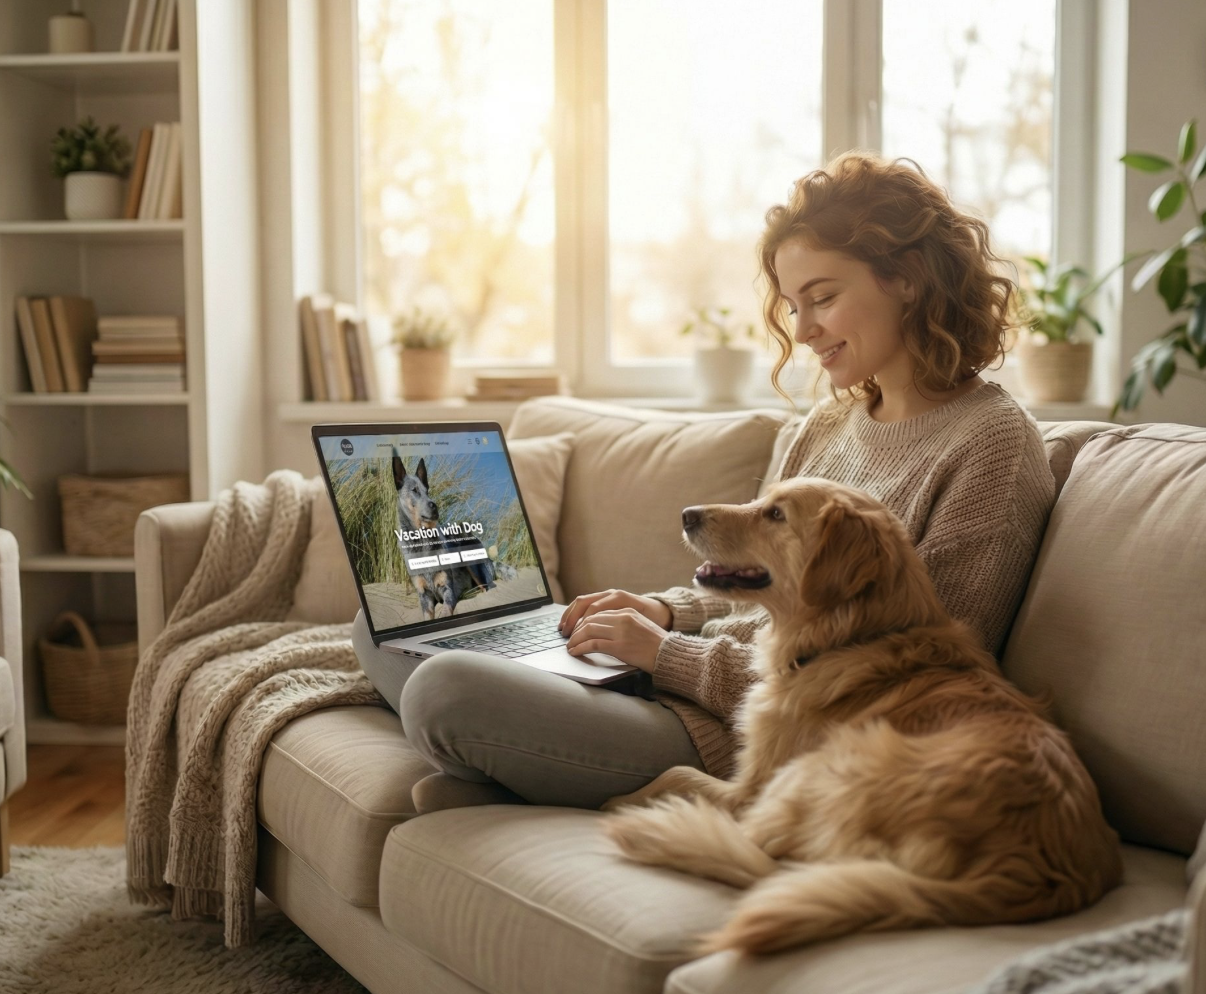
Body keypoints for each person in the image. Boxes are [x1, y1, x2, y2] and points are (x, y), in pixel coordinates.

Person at [353, 150, 1057, 814]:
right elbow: (753, 591)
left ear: (907, 278)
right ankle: (515, 773)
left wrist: (664, 657)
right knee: (387, 626)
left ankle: (511, 768)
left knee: (443, 691)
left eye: (823, 297)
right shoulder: (828, 424)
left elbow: (900, 679)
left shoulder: (991, 444)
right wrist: (660, 614)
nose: (803, 329)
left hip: (754, 735)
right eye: (792, 305)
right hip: (680, 680)